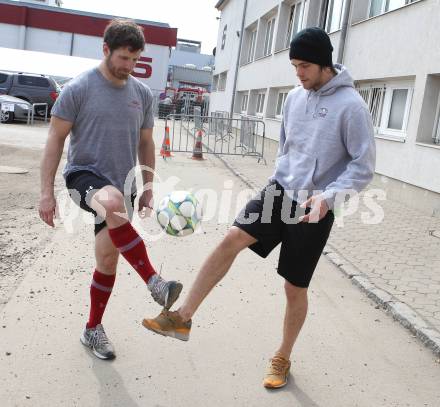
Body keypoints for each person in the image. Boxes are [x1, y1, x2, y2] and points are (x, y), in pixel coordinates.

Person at [142, 27, 376, 388]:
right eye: (294, 65)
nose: (298, 73)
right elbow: (287, 146)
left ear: (325, 63)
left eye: (305, 66)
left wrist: (329, 198)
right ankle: (183, 317)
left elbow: (363, 167)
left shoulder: (352, 107)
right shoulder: (295, 98)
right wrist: (277, 178)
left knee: (293, 288)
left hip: (314, 206)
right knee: (231, 238)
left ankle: (282, 357)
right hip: (279, 190)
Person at [38, 19, 182, 360]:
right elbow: (55, 139)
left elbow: (146, 143)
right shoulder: (79, 88)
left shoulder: (141, 94)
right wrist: (46, 193)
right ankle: (154, 282)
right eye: (123, 59)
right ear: (106, 50)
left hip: (123, 183)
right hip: (83, 176)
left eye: (135, 60)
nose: (129, 67)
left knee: (107, 260)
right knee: (112, 200)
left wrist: (147, 187)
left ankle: (92, 329)